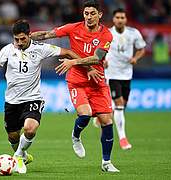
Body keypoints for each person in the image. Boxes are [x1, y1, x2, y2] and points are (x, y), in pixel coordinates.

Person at [0, 19, 80, 174]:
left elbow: (68, 52)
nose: (19, 42)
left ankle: (16, 157)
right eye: (16, 39)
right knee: (13, 137)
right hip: (12, 101)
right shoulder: (8, 50)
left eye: (23, 38)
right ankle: (22, 155)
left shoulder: (41, 48)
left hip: (33, 98)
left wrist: (83, 64)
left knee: (30, 129)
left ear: (30, 35)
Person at [31, 0, 120, 172]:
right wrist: (28, 36)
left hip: (98, 83)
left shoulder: (106, 35)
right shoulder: (74, 28)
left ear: (100, 15)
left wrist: (73, 61)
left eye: (92, 13)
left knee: (107, 121)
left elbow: (97, 58)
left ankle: (106, 163)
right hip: (77, 81)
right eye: (86, 13)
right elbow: (48, 34)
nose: (88, 17)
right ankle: (76, 136)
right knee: (85, 114)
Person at [104, 8, 146, 150]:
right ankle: (122, 138)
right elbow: (100, 49)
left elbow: (141, 49)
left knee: (122, 106)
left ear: (126, 19)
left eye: (122, 17)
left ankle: (104, 114)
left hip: (127, 74)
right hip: (112, 73)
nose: (120, 20)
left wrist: (135, 58)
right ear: (113, 19)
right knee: (120, 103)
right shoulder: (108, 33)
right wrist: (103, 60)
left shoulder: (133, 33)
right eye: (117, 17)